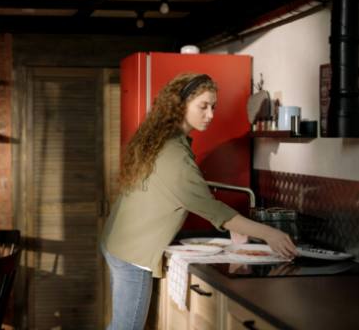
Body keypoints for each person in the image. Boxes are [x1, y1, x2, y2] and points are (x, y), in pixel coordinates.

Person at [100, 72, 297, 330]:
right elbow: (214, 209)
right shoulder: (174, 154)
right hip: (132, 252)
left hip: (120, 242)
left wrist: (237, 227)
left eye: (213, 107)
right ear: (181, 105)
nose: (211, 114)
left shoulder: (165, 139)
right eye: (203, 106)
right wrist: (270, 233)